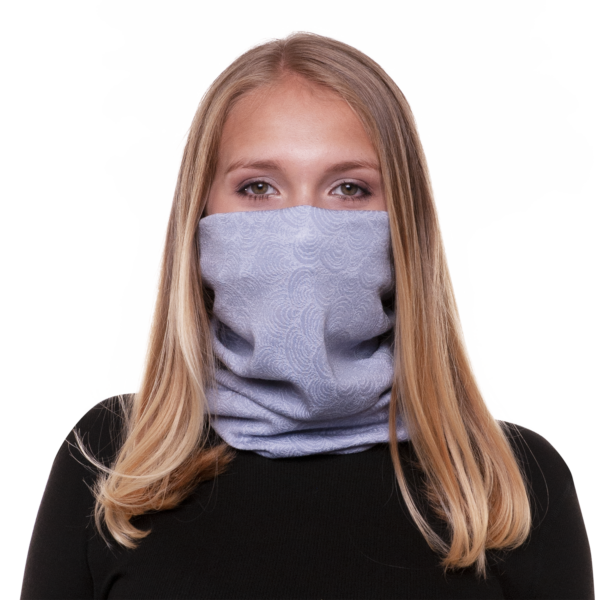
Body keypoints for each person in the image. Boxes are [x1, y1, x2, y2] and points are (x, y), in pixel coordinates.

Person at [20, 31, 594, 599]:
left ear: (404, 224)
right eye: (258, 187)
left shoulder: (510, 483)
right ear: (200, 215)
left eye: (349, 188)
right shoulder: (112, 462)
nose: (303, 232)